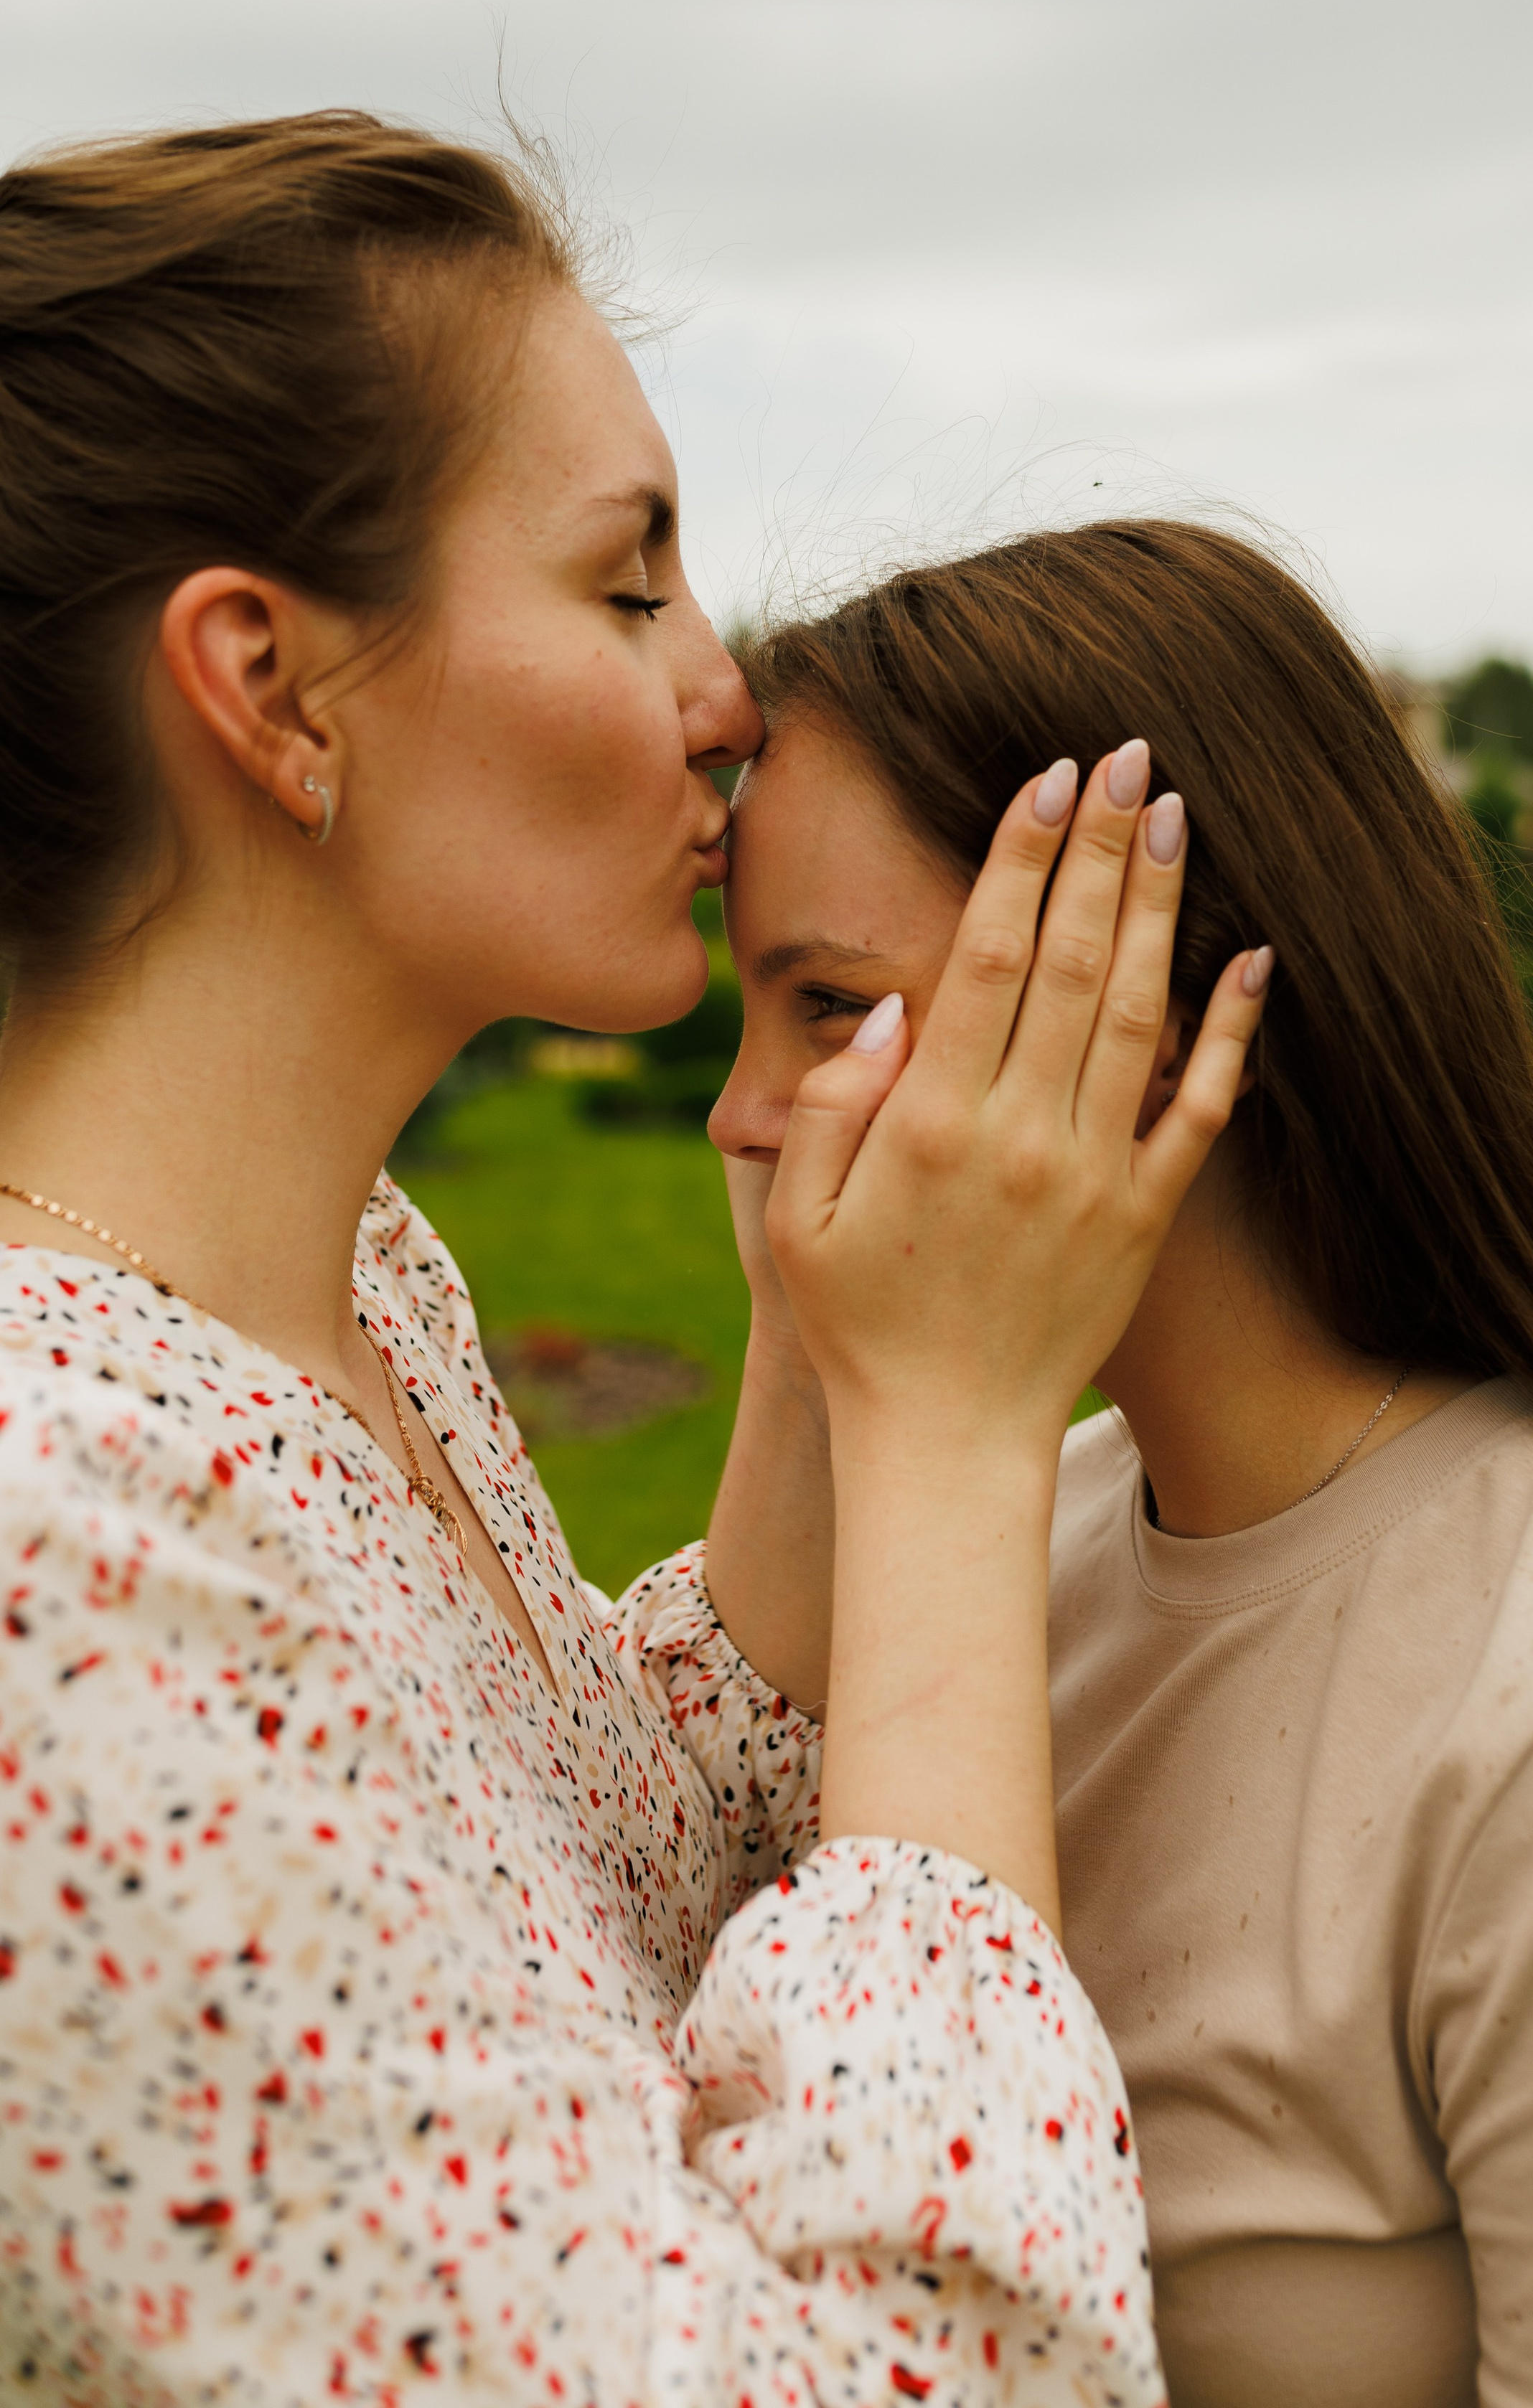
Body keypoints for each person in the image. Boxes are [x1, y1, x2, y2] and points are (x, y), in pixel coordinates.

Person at [0, 116, 1275, 2402]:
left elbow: (611, 1884)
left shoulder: (350, 1283)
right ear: (272, 687)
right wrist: (959, 1437)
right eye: (626, 585)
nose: (728, 692)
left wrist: (823, 1309)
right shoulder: (60, 1548)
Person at [705, 519, 1533, 2408]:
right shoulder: (990, 1567)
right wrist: (827, 1363)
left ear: (1151, 1012)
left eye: (827, 1008)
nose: (748, 1112)